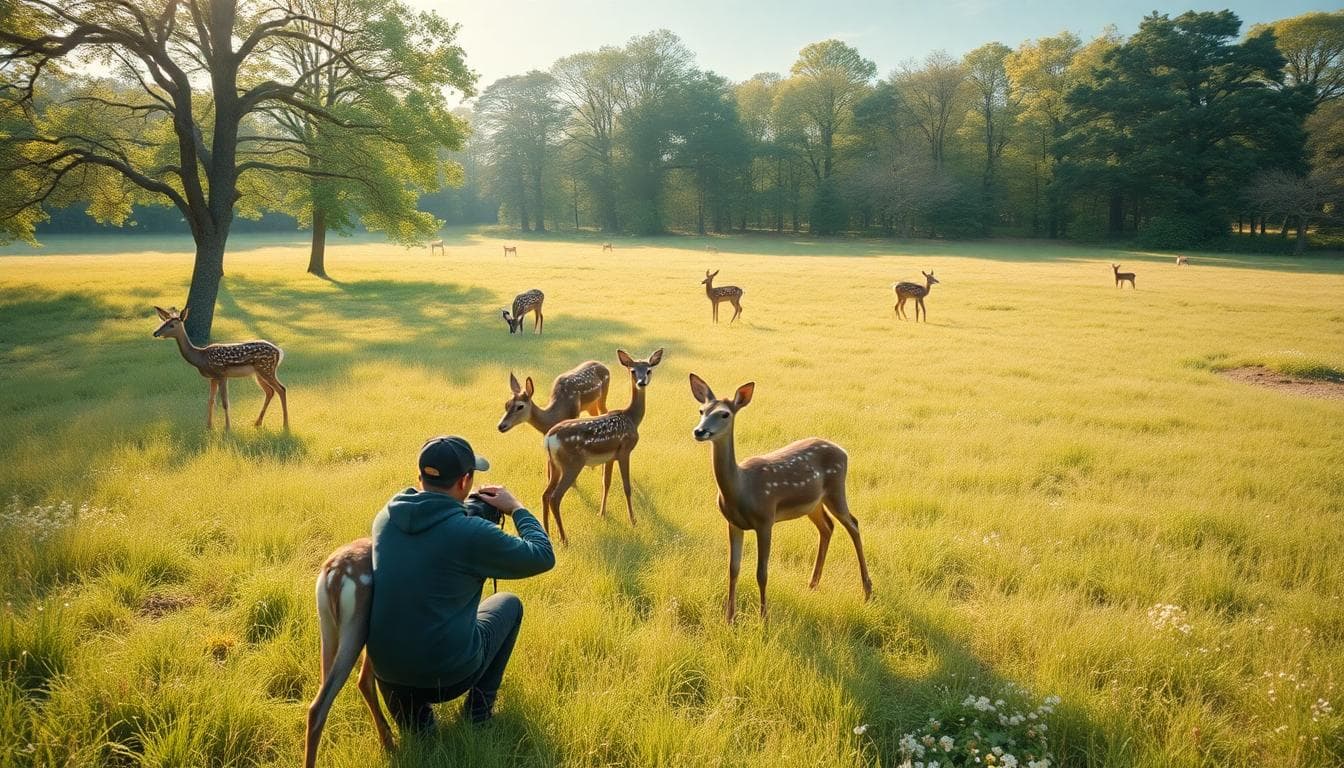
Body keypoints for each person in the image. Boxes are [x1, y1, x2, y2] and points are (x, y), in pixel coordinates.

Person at [366, 435, 555, 731]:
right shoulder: (471, 533)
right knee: (509, 604)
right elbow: (542, 555)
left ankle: (417, 721)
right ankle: (478, 713)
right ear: (466, 481)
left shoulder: (385, 517)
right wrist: (516, 507)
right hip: (450, 676)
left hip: (388, 676)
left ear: (419, 476)